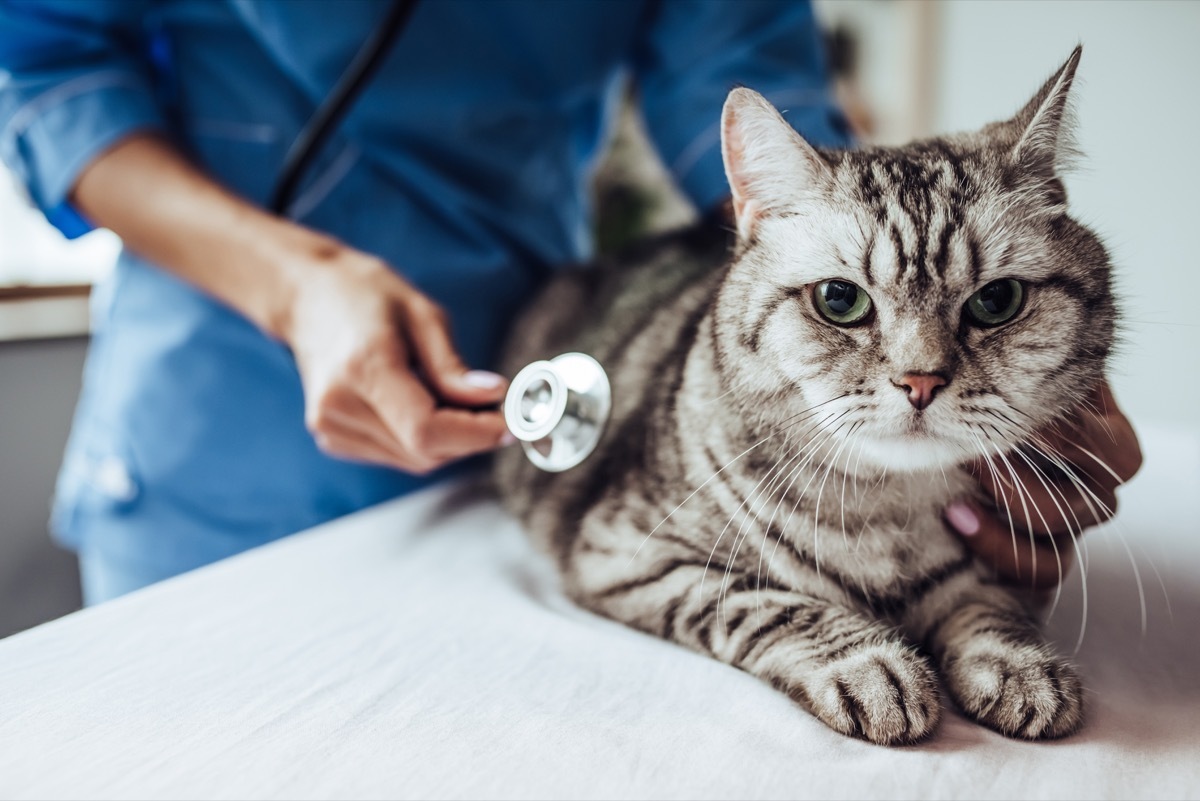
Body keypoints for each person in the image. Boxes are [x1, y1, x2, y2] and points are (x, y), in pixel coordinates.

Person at [0, 0, 1139, 605]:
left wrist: (971, 326)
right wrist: (295, 288)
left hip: (549, 394)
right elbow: (48, 72)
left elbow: (741, 95)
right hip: (225, 397)